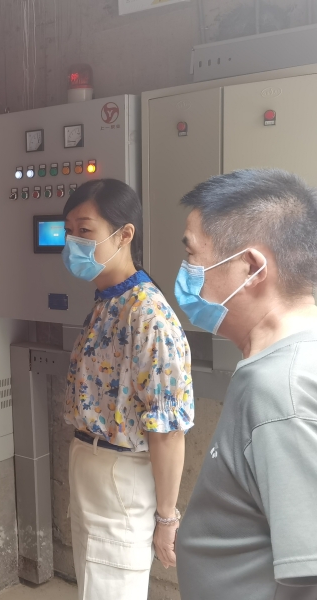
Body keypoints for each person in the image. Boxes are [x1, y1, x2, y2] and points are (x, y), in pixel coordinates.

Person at [175, 169, 317, 600]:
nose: (186, 272)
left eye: (192, 255)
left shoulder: (282, 391)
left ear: (252, 268)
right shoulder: (284, 362)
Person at [61, 179, 194, 600]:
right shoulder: (106, 302)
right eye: (69, 232)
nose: (73, 242)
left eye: (85, 230)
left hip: (120, 473)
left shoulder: (149, 316)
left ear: (124, 234)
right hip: (89, 464)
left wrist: (167, 518)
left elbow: (167, 431)